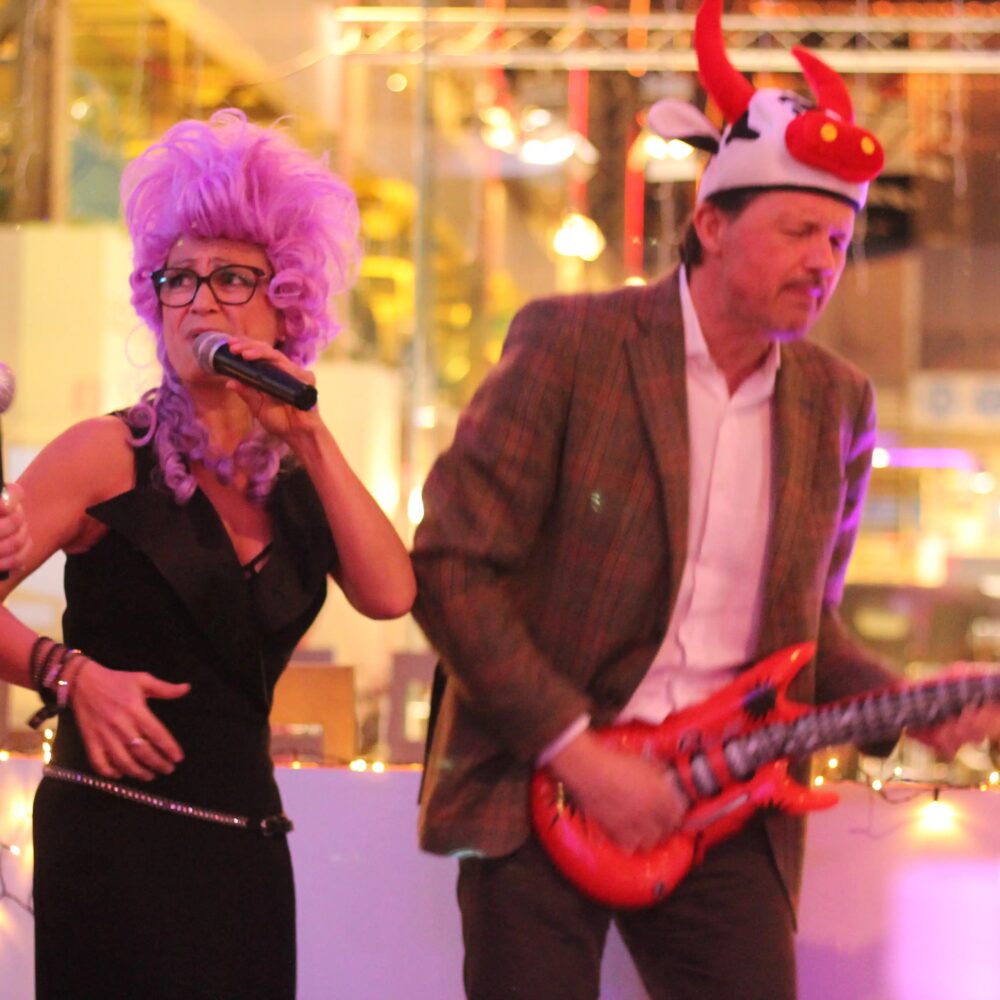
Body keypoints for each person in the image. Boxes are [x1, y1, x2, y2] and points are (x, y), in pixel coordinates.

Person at [410, 2, 998, 997]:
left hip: (730, 805)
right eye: (799, 230)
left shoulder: (836, 401)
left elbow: (803, 632)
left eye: (840, 237)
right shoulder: (572, 345)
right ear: (711, 224)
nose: (825, 261)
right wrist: (578, 751)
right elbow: (450, 565)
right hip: (540, 781)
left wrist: (906, 705)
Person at [0, 109, 415, 999]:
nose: (200, 300)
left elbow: (390, 592)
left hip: (243, 848)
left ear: (285, 303)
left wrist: (312, 437)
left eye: (231, 278)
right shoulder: (107, 453)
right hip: (111, 839)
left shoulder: (298, 477)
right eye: (179, 278)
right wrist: (67, 674)